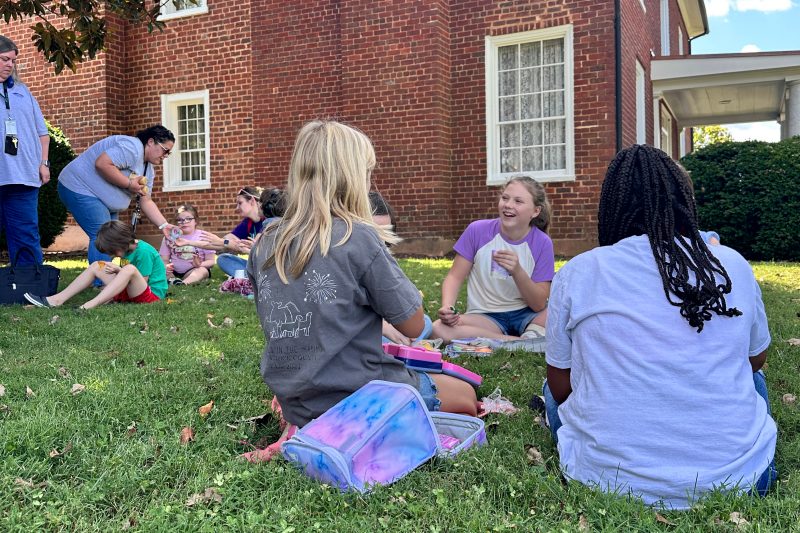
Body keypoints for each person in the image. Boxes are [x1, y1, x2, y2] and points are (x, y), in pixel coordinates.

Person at [543, 145, 776, 509]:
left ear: (612, 206)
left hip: (603, 481)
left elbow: (560, 384)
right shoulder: (731, 264)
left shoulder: (579, 271)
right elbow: (756, 358)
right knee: (753, 380)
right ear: (683, 199)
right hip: (743, 480)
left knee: (553, 385)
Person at [247, 119, 477, 443]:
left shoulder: (266, 241)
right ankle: (365, 430)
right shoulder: (358, 238)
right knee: (466, 394)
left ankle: (317, 427)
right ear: (352, 177)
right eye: (368, 173)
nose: (371, 182)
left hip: (297, 400)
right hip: (361, 396)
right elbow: (414, 326)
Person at [432, 176, 554, 343]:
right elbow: (455, 276)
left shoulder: (542, 242)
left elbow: (539, 305)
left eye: (518, 201)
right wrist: (447, 307)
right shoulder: (477, 231)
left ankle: (525, 336)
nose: (508, 205)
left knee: (559, 311)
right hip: (486, 317)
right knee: (439, 329)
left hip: (528, 314)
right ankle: (519, 341)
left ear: (535, 211)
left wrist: (517, 271)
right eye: (505, 198)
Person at [56, 125, 176, 268]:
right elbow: (102, 163)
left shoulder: (147, 170)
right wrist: (129, 184)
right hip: (79, 187)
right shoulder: (132, 147)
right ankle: (101, 282)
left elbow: (146, 200)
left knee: (115, 238)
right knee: (102, 235)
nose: (165, 155)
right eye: (165, 150)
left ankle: (111, 278)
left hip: (103, 200)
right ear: (151, 141)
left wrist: (164, 225)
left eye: (169, 153)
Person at [24, 220, 168, 310]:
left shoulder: (144, 251)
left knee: (130, 269)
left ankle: (91, 304)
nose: (112, 255)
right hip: (133, 292)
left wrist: (119, 271)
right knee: (97, 265)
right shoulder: (125, 251)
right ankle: (56, 300)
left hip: (151, 295)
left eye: (112, 251)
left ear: (120, 243)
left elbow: (142, 282)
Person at [0, 36, 50, 265]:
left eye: (13, 60)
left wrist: (44, 163)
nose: (10, 64)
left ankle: (29, 286)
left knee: (26, 235)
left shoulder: (23, 91)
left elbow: (42, 133)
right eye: (4, 59)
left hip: (24, 175)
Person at [368, 190, 433, 345]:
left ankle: (401, 345)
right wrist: (385, 328)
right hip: (364, 329)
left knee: (427, 323)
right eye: (375, 233)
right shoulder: (353, 259)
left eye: (386, 233)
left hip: (389, 322)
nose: (382, 241)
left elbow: (405, 312)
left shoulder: (385, 260)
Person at [159, 204, 215, 285]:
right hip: (173, 271)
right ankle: (173, 279)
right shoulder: (169, 237)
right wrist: (166, 267)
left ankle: (183, 283)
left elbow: (211, 261)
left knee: (202, 271)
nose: (184, 222)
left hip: (194, 269)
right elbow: (164, 260)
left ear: (196, 221)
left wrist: (200, 264)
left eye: (188, 219)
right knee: (159, 270)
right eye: (180, 220)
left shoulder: (203, 236)